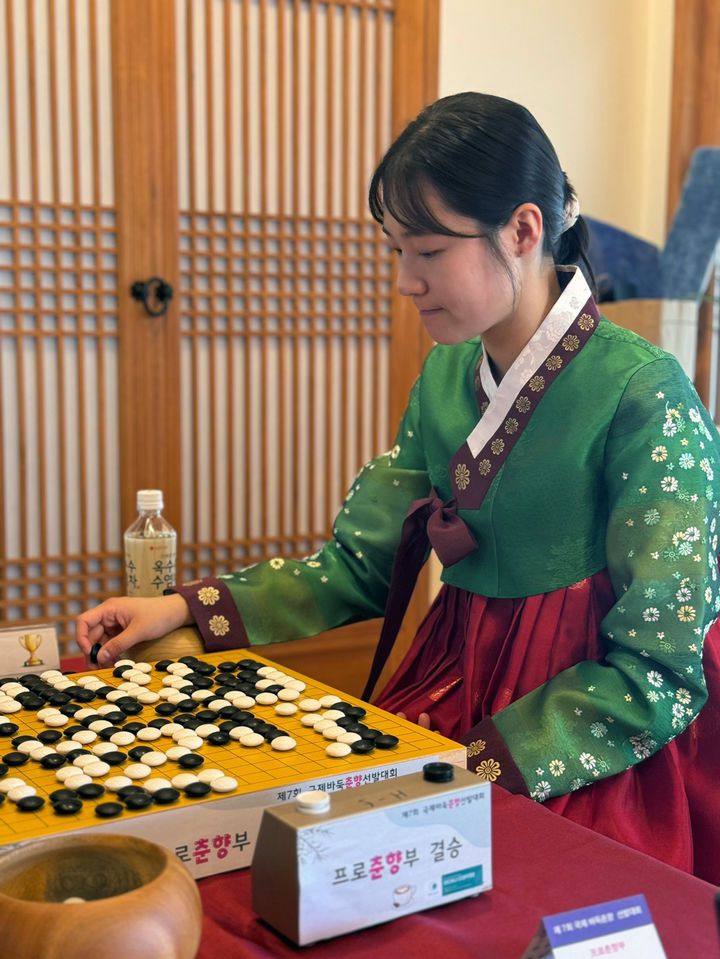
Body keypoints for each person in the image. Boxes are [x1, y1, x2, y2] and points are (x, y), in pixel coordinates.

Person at [77, 92, 720, 884]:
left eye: (428, 252)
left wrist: (484, 762)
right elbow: (357, 564)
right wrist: (181, 607)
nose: (407, 282)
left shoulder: (644, 393)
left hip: (572, 743)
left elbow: (662, 666)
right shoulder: (449, 374)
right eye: (396, 253)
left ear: (523, 230)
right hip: (449, 694)